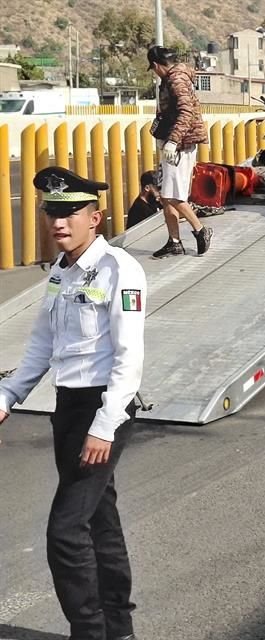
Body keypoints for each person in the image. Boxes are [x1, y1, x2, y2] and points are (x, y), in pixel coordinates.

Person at [0, 166, 146, 640]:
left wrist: (105, 425)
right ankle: (117, 628)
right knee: (99, 520)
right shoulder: (61, 274)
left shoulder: (118, 269)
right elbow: (42, 348)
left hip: (105, 409)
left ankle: (89, 631)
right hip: (68, 408)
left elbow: (129, 356)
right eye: (51, 213)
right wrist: (7, 394)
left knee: (65, 531)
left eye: (70, 213)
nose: (58, 222)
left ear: (95, 218)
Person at [147, 45, 213, 258]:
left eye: (153, 68)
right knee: (167, 197)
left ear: (157, 66)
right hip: (176, 143)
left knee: (172, 195)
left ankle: (201, 230)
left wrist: (173, 141)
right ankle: (174, 242)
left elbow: (186, 111)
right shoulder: (176, 77)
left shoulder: (176, 79)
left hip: (180, 146)